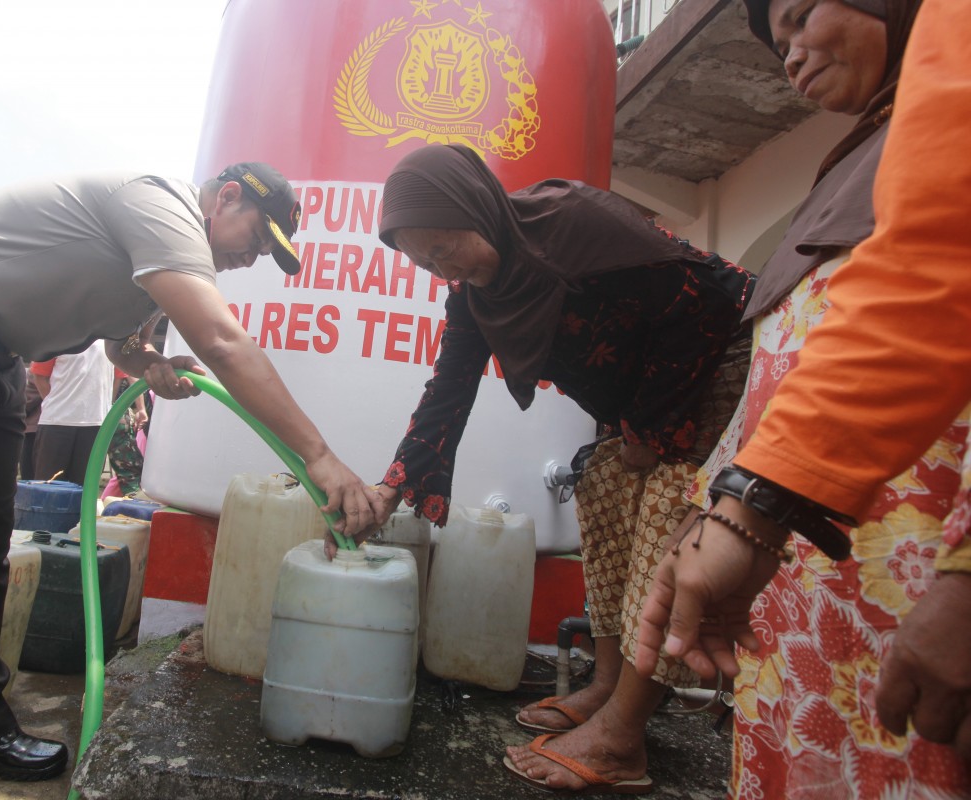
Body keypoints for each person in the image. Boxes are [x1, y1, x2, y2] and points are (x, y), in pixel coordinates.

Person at [0, 163, 381, 800]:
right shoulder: (157, 203)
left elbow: (119, 348)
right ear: (227, 196)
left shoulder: (154, 262)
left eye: (271, 251)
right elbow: (222, 340)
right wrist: (320, 458)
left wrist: (150, 363)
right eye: (258, 234)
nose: (254, 256)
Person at [635, 0, 971, 795]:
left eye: (797, 16)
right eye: (774, 43)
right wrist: (731, 504)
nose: (788, 56)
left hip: (912, 573)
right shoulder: (863, 159)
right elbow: (785, 364)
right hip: (796, 563)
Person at [351, 144, 755, 793]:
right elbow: (448, 390)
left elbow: (698, 299)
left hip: (722, 359)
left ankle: (625, 737)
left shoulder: (569, 222)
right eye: (427, 262)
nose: (442, 266)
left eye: (445, 245)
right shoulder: (477, 298)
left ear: (474, 206)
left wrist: (651, 430)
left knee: (666, 510)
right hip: (644, 403)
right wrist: (391, 486)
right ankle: (606, 685)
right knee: (600, 489)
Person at [30, 339, 114, 486]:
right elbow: (40, 376)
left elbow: (117, 377)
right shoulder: (61, 335)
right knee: (48, 486)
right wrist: (59, 403)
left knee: (85, 488)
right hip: (57, 422)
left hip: (96, 423)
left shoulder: (112, 339)